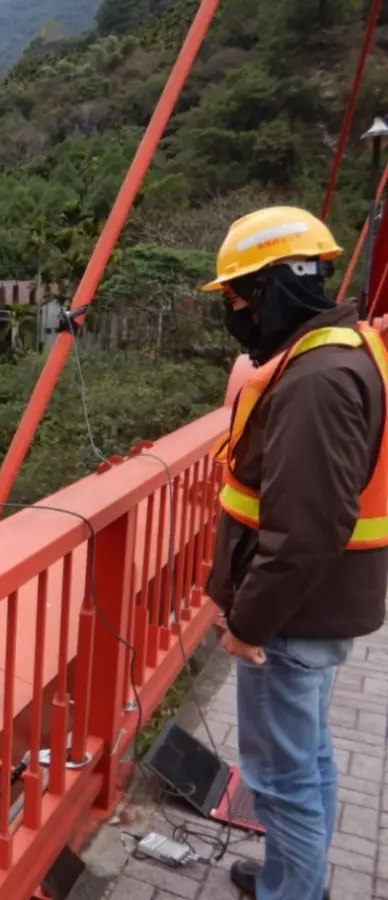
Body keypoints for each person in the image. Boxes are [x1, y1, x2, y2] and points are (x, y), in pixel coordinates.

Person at [203, 206, 388, 900]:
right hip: (317, 609)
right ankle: (291, 879)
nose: (237, 313)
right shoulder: (345, 349)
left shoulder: (317, 379)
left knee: (282, 776)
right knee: (306, 758)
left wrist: (248, 624)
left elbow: (305, 530)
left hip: (291, 620)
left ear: (274, 288)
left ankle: (294, 890)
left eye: (239, 296)